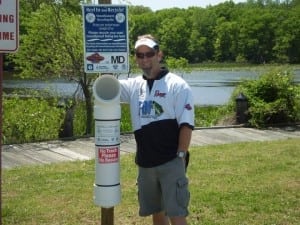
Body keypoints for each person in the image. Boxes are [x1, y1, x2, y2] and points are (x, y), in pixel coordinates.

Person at [119, 34, 194, 225]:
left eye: (149, 54)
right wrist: (102, 60)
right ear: (135, 58)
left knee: (177, 213)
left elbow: (186, 124)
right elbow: (106, 87)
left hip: (171, 161)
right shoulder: (134, 86)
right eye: (139, 55)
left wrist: (180, 155)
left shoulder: (178, 85)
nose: (145, 58)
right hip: (146, 163)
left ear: (159, 55)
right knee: (157, 213)